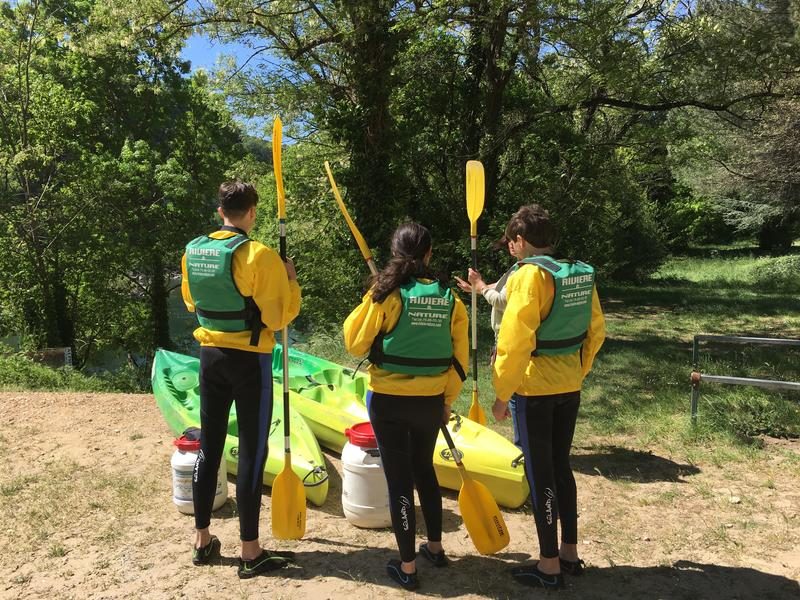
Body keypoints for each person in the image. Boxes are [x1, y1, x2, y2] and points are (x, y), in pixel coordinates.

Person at [181, 181, 301, 578]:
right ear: (251, 212)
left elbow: (190, 301)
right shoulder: (259, 255)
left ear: (221, 212)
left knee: (209, 446)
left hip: (210, 358)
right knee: (251, 453)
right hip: (250, 361)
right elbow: (278, 317)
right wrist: (291, 281)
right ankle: (251, 552)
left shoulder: (193, 250)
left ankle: (202, 540)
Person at [343, 222, 469, 591]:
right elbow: (458, 361)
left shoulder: (387, 294)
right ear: (429, 254)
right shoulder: (450, 297)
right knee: (423, 470)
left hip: (389, 403)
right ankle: (435, 547)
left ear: (396, 254)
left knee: (399, 480)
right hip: (430, 403)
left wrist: (373, 295)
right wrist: (446, 401)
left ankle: (408, 567)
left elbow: (353, 342)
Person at [491, 205, 605, 590]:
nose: (511, 246)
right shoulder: (580, 271)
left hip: (534, 389)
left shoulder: (529, 276)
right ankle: (569, 553)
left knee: (540, 474)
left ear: (521, 241)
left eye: (512, 240)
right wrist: (578, 369)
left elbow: (514, 341)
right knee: (560, 466)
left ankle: (549, 565)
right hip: (568, 385)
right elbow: (596, 330)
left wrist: (502, 393)